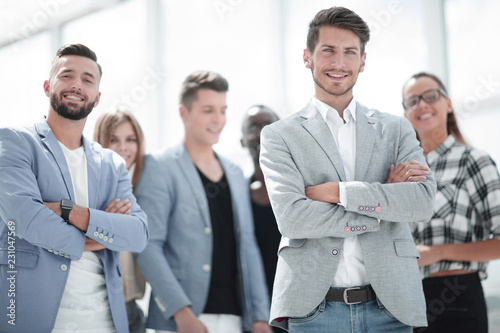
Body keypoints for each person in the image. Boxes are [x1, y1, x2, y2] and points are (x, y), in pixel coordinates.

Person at [259, 7, 437, 332]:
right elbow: (293, 218)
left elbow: (421, 202)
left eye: (349, 52)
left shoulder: (395, 129)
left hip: (392, 308)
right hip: (315, 310)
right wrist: (382, 206)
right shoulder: (278, 136)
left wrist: (339, 193)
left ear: (363, 61)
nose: (339, 63)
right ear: (307, 56)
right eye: (328, 50)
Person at [0, 44, 148, 333]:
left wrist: (65, 210)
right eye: (67, 75)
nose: (77, 85)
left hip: (104, 322)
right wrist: (99, 235)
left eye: (88, 79)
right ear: (47, 86)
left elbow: (138, 234)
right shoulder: (15, 143)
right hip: (34, 318)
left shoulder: (112, 163)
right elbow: (26, 220)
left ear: (97, 97)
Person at [134, 71, 272, 333]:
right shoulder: (160, 167)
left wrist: (260, 316)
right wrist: (181, 313)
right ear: (183, 112)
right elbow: (148, 246)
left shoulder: (233, 172)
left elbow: (248, 247)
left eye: (223, 110)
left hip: (235, 319)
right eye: (208, 110)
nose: (218, 119)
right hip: (181, 321)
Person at [402, 72, 500, 333]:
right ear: (405, 115)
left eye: (431, 96)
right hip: (409, 302)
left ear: (447, 104)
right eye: (412, 101)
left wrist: (437, 253)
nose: (422, 104)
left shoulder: (474, 161)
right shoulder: (402, 174)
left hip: (458, 297)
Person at [94, 108, 147, 333]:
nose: (123, 147)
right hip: (101, 308)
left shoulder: (143, 186)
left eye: (130, 139)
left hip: (132, 308)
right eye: (113, 139)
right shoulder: (91, 188)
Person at [240, 105, 285, 333]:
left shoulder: (302, 191)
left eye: (268, 126)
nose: (261, 133)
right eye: (254, 128)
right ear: (242, 141)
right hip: (256, 316)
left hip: (300, 311)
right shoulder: (237, 197)